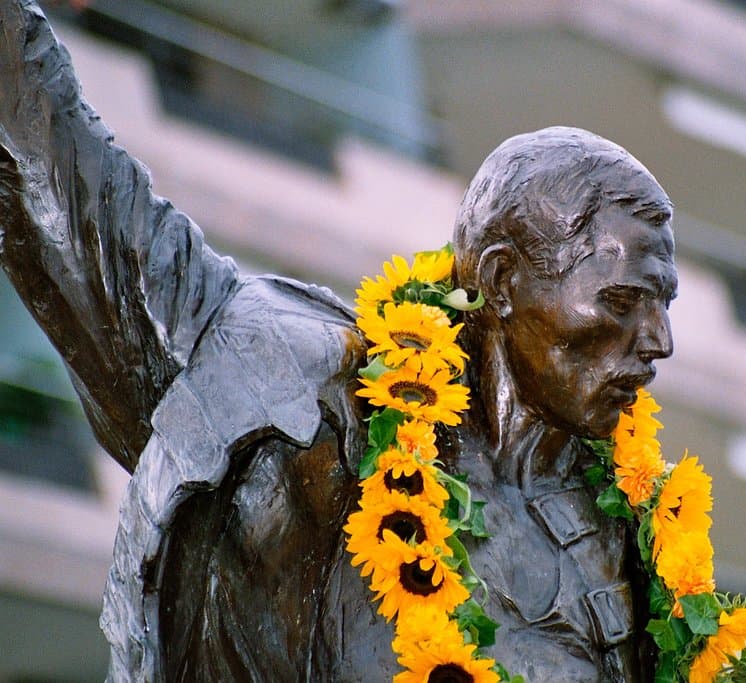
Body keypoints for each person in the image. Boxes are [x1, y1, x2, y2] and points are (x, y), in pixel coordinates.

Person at [0, 2, 677, 680]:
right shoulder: (322, 411)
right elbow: (70, 190)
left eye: (663, 304)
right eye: (622, 301)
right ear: (501, 279)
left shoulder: (635, 529)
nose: (660, 341)